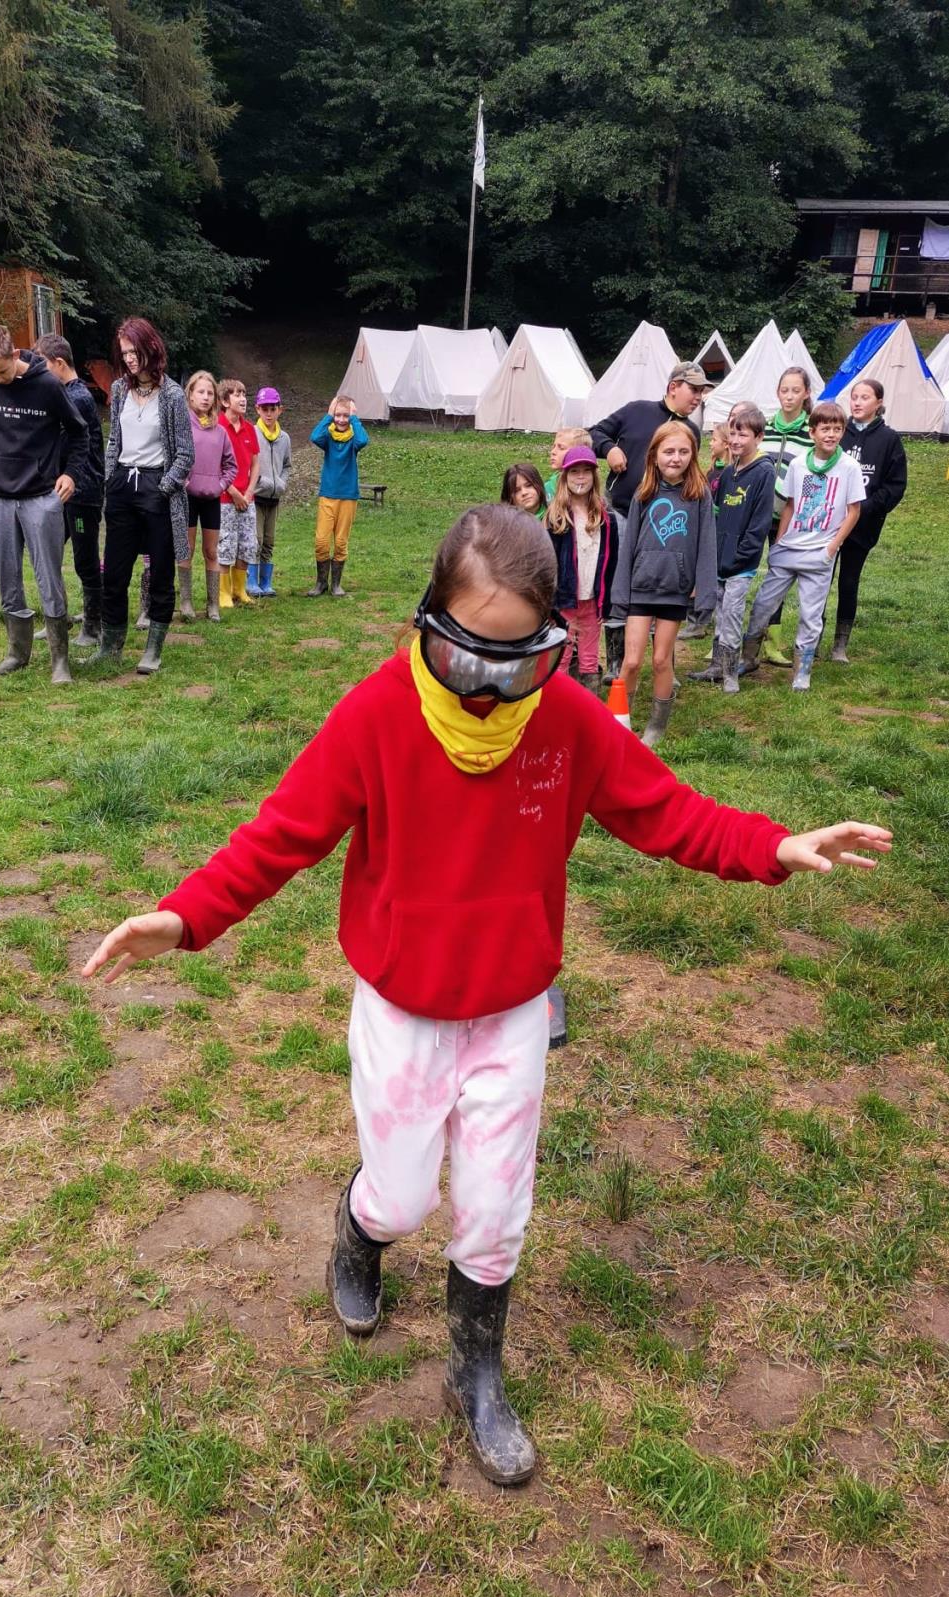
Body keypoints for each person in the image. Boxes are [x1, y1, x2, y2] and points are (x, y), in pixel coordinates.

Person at [81, 502, 891, 1486]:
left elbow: (664, 811)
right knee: (403, 1193)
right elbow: (280, 834)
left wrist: (771, 845)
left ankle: (476, 1373)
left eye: (519, 666)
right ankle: (359, 1233)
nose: (490, 692)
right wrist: (185, 914)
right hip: (402, 1010)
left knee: (495, 1207)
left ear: (552, 647)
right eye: (471, 662)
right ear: (429, 625)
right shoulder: (377, 712)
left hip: (511, 1010)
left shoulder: (565, 720)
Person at [0, 324, 87, 685]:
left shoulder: (48, 385)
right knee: (8, 576)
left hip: (41, 498)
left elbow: (79, 432)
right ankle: (16, 653)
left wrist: (71, 474)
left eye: (2, 371)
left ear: (15, 356)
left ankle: (60, 661)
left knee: (49, 576)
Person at [591, 362, 710, 685]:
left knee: (665, 585)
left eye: (702, 391)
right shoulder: (636, 412)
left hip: (668, 527)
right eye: (694, 389)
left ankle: (664, 666)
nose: (699, 397)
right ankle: (617, 663)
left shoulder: (691, 433)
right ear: (674, 386)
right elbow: (595, 432)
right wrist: (610, 448)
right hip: (624, 512)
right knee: (622, 582)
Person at [92, 317, 194, 674]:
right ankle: (111, 647)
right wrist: (110, 480)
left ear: (151, 349)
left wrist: (163, 488)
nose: (130, 359)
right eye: (125, 354)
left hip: (157, 490)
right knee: (115, 573)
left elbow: (185, 454)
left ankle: (153, 647)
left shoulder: (172, 395)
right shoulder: (119, 389)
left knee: (161, 573)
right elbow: (113, 442)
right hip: (122, 488)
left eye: (135, 352)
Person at [742, 401, 865, 692]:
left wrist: (832, 548)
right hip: (789, 549)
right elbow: (790, 506)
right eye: (825, 429)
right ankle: (748, 658)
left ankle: (802, 670)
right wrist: (780, 542)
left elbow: (854, 512)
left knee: (811, 615)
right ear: (812, 432)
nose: (831, 434)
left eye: (837, 429)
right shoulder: (798, 464)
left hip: (820, 553)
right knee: (762, 605)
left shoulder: (849, 467)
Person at [611, 421, 717, 747]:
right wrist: (621, 589)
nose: (676, 458)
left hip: (675, 588)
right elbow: (628, 545)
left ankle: (656, 726)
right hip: (642, 585)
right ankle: (617, 723)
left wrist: (704, 589)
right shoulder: (643, 493)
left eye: (683, 451)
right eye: (669, 451)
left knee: (660, 660)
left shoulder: (699, 495)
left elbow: (706, 543)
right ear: (654, 455)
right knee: (630, 661)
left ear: (693, 455)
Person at [688, 404, 774, 694]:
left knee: (733, 613)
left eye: (744, 434)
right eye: (734, 433)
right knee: (720, 612)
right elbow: (716, 514)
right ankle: (716, 665)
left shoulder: (764, 472)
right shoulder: (727, 474)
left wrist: (740, 556)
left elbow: (759, 523)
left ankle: (730, 673)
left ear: (758, 437)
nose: (737, 440)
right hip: (719, 559)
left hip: (741, 563)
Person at [33, 333, 106, 649]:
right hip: (60, 492)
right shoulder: (64, 395)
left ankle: (93, 627)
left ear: (59, 363)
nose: (38, 371)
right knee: (49, 552)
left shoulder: (78, 399)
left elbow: (60, 443)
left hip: (83, 493)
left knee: (85, 561)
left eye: (42, 365)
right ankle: (57, 617)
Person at [833, 378, 907, 663]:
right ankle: (811, 636)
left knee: (849, 582)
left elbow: (895, 485)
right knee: (819, 580)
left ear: (878, 403)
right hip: (831, 521)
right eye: (854, 396)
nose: (858, 402)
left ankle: (840, 643)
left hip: (862, 526)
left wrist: (865, 508)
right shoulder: (839, 432)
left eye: (865, 397)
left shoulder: (889, 440)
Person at [754, 367, 816, 669]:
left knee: (777, 577)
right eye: (784, 390)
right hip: (755, 515)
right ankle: (729, 640)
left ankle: (772, 643)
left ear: (806, 393)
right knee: (740, 572)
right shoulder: (765, 426)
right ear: (777, 392)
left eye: (795, 390)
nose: (789, 396)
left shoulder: (812, 431)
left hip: (789, 518)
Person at [546, 445, 615, 694]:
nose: (581, 477)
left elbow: (611, 561)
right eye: (575, 472)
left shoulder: (606, 518)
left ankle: (590, 704)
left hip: (592, 601)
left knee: (589, 658)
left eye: (587, 471)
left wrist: (606, 602)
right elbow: (549, 563)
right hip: (564, 602)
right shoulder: (556, 517)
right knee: (561, 656)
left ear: (594, 477)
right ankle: (558, 702)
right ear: (565, 477)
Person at [178, 370, 236, 624]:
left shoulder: (220, 431)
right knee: (186, 549)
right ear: (190, 395)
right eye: (200, 392)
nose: (205, 397)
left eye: (210, 393)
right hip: (187, 497)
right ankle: (186, 602)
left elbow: (231, 465)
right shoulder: (181, 426)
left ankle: (212, 604)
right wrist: (185, 482)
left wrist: (220, 485)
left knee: (211, 551)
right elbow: (174, 458)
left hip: (212, 497)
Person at [309, 396, 369, 597]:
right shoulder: (328, 438)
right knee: (321, 541)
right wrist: (328, 415)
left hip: (348, 496)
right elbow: (315, 436)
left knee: (341, 541)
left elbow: (363, 440)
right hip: (328, 495)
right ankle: (320, 583)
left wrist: (354, 418)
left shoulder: (353, 439)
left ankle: (336, 584)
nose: (341, 419)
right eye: (338, 415)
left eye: (345, 415)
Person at [679, 424, 731, 643]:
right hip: (701, 527)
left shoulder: (729, 472)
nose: (711, 443)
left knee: (709, 575)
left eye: (715, 440)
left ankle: (701, 621)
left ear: (726, 444)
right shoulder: (711, 470)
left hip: (718, 531)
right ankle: (693, 619)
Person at [217, 378, 260, 610]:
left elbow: (256, 462)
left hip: (247, 498)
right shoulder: (217, 427)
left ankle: (239, 589)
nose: (243, 398)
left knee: (247, 543)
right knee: (225, 544)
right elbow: (214, 466)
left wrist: (250, 491)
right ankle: (223, 593)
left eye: (244, 393)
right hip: (225, 499)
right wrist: (233, 492)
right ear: (224, 401)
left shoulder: (250, 429)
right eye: (236, 394)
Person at [251, 387, 291, 597]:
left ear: (279, 410)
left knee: (269, 540)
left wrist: (282, 483)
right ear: (257, 409)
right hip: (256, 497)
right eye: (264, 408)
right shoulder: (252, 433)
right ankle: (251, 581)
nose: (268, 413)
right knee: (255, 540)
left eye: (272, 409)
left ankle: (266, 582)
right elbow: (246, 464)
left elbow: (287, 465)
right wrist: (262, 482)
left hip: (275, 499)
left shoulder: (284, 438)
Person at [544, 427, 592, 499]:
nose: (553, 452)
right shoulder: (548, 487)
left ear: (581, 453)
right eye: (554, 447)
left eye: (561, 448)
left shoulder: (588, 488)